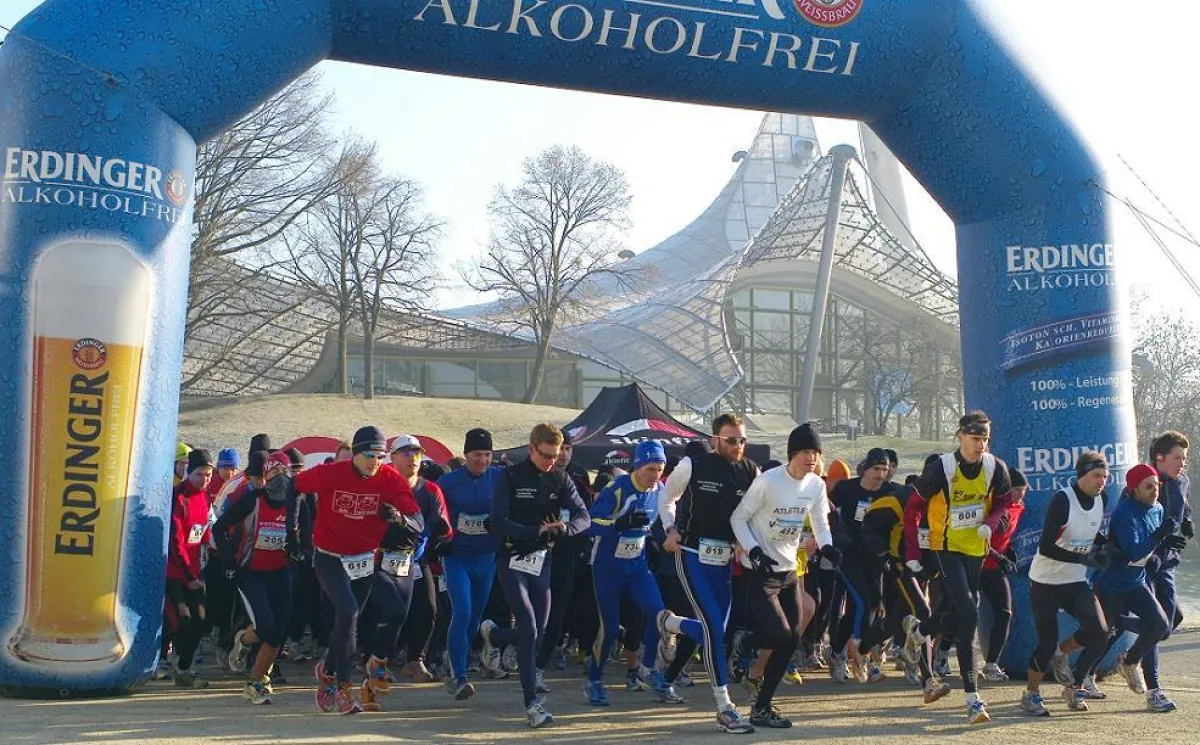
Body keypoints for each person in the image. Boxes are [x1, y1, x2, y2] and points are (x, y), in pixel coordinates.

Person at [294, 425, 422, 715]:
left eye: (380, 456)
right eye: (369, 456)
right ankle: (343, 688)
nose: (375, 462)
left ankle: (328, 671)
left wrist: (400, 518)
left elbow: (417, 519)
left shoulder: (389, 478)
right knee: (348, 611)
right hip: (329, 557)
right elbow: (294, 487)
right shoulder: (331, 473)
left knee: (349, 621)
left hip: (364, 559)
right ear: (355, 453)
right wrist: (293, 529)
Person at [905, 411, 1013, 724]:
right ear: (960, 436)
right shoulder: (942, 468)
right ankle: (973, 699)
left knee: (958, 614)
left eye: (985, 439)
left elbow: (1005, 503)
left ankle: (919, 630)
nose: (981, 445)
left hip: (976, 548)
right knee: (969, 613)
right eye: (975, 438)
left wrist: (992, 521)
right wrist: (913, 551)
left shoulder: (995, 467)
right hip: (946, 546)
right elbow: (913, 508)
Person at [729, 423, 840, 728]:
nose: (811, 458)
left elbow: (820, 522)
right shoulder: (768, 482)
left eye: (815, 452)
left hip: (789, 570)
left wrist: (828, 547)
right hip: (760, 571)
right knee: (779, 633)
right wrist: (753, 551)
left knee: (791, 640)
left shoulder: (815, 485)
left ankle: (761, 708)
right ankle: (745, 640)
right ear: (792, 453)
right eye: (805, 451)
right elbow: (738, 518)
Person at [485, 422, 591, 728]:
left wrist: (565, 529)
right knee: (529, 628)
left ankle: (494, 635)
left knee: (537, 633)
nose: (551, 461)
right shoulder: (510, 476)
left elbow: (584, 516)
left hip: (541, 560)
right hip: (512, 558)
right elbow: (497, 521)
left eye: (556, 455)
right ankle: (532, 705)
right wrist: (534, 531)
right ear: (531, 449)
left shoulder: (561, 477)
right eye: (546, 455)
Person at [660, 413, 759, 734]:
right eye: (731, 440)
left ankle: (671, 623)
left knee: (715, 631)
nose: (737, 445)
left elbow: (755, 513)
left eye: (742, 440)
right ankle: (725, 707)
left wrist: (746, 542)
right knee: (714, 630)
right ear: (715, 439)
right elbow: (667, 498)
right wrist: (670, 529)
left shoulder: (751, 471)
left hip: (724, 561)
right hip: (691, 554)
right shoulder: (693, 465)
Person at [585, 440, 699, 707]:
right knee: (610, 630)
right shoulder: (618, 489)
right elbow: (590, 523)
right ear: (637, 466)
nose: (655, 475)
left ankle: (648, 671)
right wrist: (619, 524)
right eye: (650, 469)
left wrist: (663, 537)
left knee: (660, 617)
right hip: (607, 569)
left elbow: (661, 521)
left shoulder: (659, 491)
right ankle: (595, 680)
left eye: (660, 469)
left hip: (637, 567)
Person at [358, 435, 451, 711]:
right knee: (385, 612)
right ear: (393, 457)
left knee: (427, 610)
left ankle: (411, 661)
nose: (413, 458)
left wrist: (438, 535)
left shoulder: (430, 490)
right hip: (378, 559)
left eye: (417, 453)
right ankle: (369, 663)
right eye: (406, 453)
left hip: (413, 560)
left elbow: (443, 526)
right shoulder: (379, 485)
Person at [1021, 451, 1112, 716]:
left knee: (1100, 632)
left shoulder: (1102, 498)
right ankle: (1031, 694)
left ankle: (1071, 677)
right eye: (1096, 475)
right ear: (1081, 475)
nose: (1101, 481)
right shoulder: (1063, 500)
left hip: (1074, 580)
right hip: (1045, 581)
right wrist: (1085, 559)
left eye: (1105, 476)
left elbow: (1090, 531)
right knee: (1046, 642)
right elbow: (1046, 546)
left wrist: (1106, 546)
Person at [215, 451, 304, 705]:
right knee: (266, 627)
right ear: (265, 476)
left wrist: (298, 547)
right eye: (275, 472)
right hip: (250, 571)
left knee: (278, 632)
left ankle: (257, 681)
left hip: (280, 571)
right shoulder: (252, 500)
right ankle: (242, 640)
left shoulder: (296, 503)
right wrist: (228, 560)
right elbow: (219, 528)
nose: (281, 478)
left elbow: (304, 533)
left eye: (285, 472)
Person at [1093, 463, 1179, 713]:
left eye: (1156, 485)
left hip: (1136, 582)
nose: (1155, 490)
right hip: (1114, 585)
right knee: (1101, 634)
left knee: (1160, 625)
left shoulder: (1158, 508)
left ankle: (1130, 661)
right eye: (1148, 486)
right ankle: (1077, 683)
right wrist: (1159, 537)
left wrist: (1163, 548)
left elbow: (1150, 547)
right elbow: (1133, 551)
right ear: (1134, 490)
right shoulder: (1124, 513)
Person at [435, 428, 502, 699]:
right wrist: (439, 537)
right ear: (466, 455)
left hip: (487, 558)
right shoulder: (448, 482)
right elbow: (434, 514)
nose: (482, 460)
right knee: (462, 611)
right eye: (477, 454)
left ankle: (452, 658)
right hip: (457, 557)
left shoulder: (500, 478)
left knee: (474, 618)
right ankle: (459, 677)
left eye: (487, 454)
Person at [828, 447, 896, 684]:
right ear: (865, 469)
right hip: (848, 556)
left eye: (884, 470)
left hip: (875, 559)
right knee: (862, 603)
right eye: (876, 468)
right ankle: (863, 656)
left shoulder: (890, 492)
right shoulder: (846, 489)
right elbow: (825, 509)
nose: (880, 474)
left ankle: (836, 652)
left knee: (872, 605)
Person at [166, 449, 216, 688]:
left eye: (208, 475)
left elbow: (202, 532)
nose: (204, 480)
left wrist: (213, 549)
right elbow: (176, 541)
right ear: (189, 472)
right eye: (199, 474)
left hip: (195, 568)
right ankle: (170, 659)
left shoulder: (204, 497)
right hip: (176, 571)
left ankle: (183, 667)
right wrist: (189, 576)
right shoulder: (179, 497)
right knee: (183, 619)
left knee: (201, 620)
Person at [979, 468, 1027, 682]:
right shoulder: (991, 505)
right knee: (957, 613)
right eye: (1016, 490)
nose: (1020, 494)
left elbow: (1004, 537)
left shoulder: (1019, 507)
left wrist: (1008, 552)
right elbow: (974, 538)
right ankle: (938, 654)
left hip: (994, 569)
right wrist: (997, 555)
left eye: (1024, 490)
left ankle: (991, 664)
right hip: (974, 565)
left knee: (1004, 613)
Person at [1148, 432, 1192, 646]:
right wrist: (1162, 540)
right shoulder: (1147, 483)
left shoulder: (1183, 480)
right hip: (1146, 560)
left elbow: (1184, 501)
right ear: (1160, 458)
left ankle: (1130, 655)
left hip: (1168, 560)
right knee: (1157, 624)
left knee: (1174, 618)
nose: (1182, 463)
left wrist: (1187, 519)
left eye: (1184, 458)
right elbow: (1132, 523)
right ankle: (1129, 654)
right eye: (1177, 458)